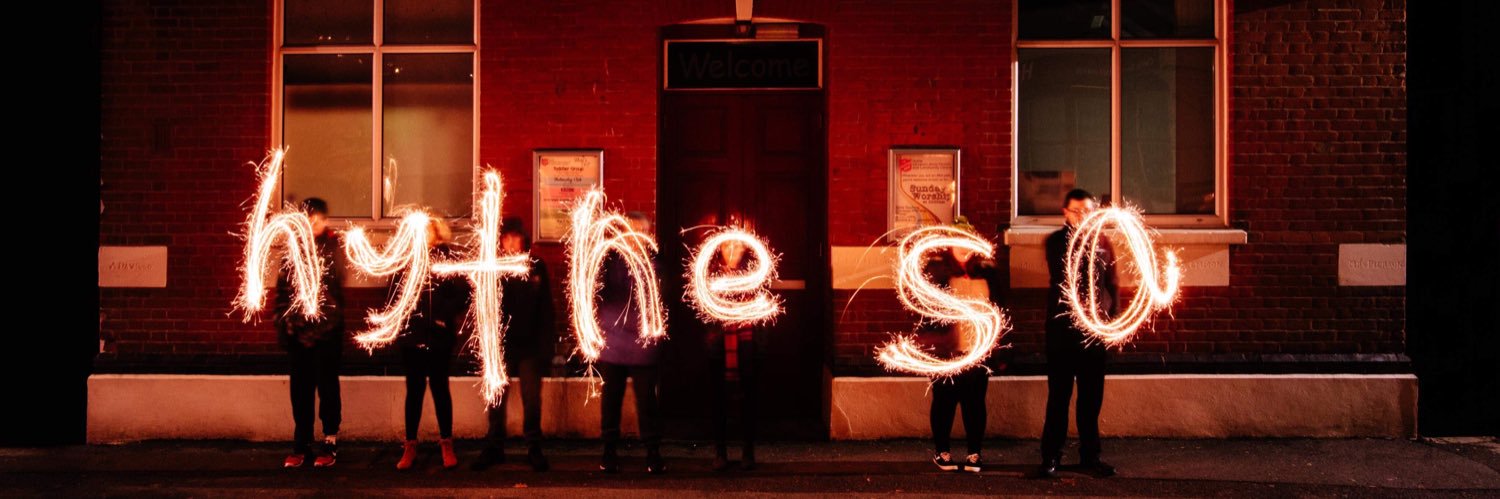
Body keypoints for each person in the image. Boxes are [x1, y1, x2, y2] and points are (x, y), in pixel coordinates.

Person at [1037, 189, 1118, 478]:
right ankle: (1050, 457)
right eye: (1077, 211)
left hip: (1094, 334)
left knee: (1091, 399)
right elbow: (1065, 272)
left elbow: (1111, 284)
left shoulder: (1103, 242)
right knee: (1059, 397)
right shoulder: (1057, 242)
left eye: (1088, 211)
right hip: (1062, 332)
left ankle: (1090, 457)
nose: (1083, 216)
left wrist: (1112, 323)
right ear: (1065, 212)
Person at [473, 218, 557, 472]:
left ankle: (533, 446)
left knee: (532, 399)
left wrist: (546, 347)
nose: (510, 242)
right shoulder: (494, 268)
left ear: (523, 239)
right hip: (501, 346)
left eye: (514, 237)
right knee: (497, 398)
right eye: (505, 238)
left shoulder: (535, 266)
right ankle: (494, 446)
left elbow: (546, 310)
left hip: (530, 347)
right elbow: (484, 306)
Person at [921, 216, 1002, 473]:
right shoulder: (936, 274)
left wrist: (997, 348)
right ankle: (942, 452)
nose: (964, 247)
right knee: (944, 403)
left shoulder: (987, 272)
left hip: (977, 351)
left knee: (975, 405)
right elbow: (928, 315)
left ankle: (974, 453)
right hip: (948, 353)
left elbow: (999, 312)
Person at [274, 197, 346, 468]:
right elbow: (283, 290)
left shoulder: (332, 248)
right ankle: (301, 442)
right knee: (300, 391)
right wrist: (286, 325)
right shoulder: (293, 250)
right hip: (298, 336)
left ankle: (329, 441)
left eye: (315, 221)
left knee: (327, 388)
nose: (310, 225)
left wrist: (323, 326)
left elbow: (334, 293)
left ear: (324, 221)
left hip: (326, 335)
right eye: (307, 220)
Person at [394, 218, 471, 471]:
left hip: (438, 337)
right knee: (414, 392)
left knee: (440, 389)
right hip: (412, 336)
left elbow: (463, 294)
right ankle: (410, 445)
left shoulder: (448, 261)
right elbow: (394, 294)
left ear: (437, 234)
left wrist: (439, 316)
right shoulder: (407, 260)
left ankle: (446, 443)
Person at [597, 211, 667, 474]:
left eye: (639, 230)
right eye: (629, 229)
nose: (634, 235)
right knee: (611, 400)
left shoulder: (655, 264)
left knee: (647, 401)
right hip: (613, 344)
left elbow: (662, 297)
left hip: (643, 346)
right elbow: (598, 292)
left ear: (647, 234)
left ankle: (652, 451)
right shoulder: (609, 260)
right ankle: (609, 450)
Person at [704, 229, 760, 472]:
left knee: (748, 400)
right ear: (721, 250)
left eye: (738, 247)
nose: (733, 251)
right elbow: (704, 316)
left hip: (747, 347)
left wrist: (760, 346)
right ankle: (720, 451)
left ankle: (748, 451)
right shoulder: (710, 279)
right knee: (718, 401)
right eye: (728, 247)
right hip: (719, 349)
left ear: (745, 250)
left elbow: (762, 316)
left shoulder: (755, 279)